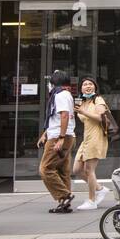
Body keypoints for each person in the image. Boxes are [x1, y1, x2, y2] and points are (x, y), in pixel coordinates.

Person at [37, 70, 76, 213]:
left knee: (45, 169)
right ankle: (64, 203)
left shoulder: (60, 95)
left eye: (50, 83)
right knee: (62, 170)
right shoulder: (64, 95)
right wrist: (45, 134)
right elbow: (56, 118)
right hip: (61, 134)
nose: (49, 86)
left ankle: (65, 195)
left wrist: (60, 138)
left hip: (59, 137)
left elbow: (64, 116)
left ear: (54, 83)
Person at [72, 77, 113, 211]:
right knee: (77, 169)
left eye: (91, 84)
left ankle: (92, 200)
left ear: (95, 87)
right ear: (81, 88)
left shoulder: (98, 100)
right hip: (87, 138)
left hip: (96, 137)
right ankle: (100, 189)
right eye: (85, 84)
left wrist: (84, 112)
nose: (88, 86)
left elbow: (101, 117)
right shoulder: (82, 101)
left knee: (89, 170)